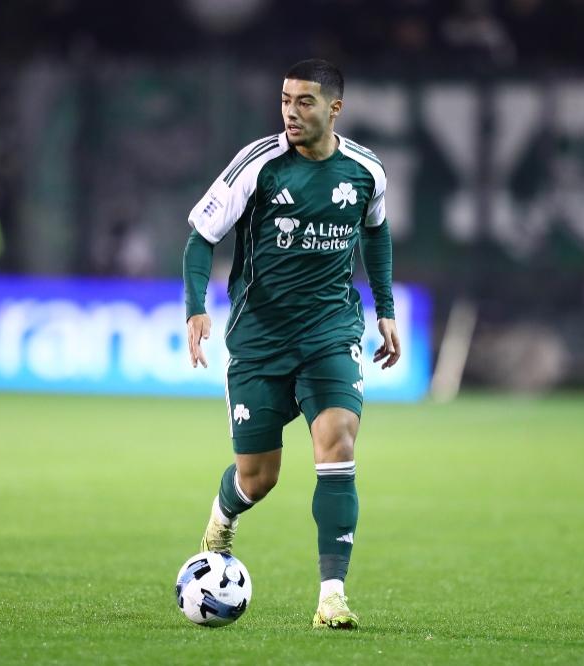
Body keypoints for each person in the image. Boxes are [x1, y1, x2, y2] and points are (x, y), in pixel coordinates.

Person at [182, 59, 400, 629]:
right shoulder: (259, 163)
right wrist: (196, 307)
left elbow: (376, 232)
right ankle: (222, 519)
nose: (291, 112)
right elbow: (201, 237)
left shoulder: (366, 172)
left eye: (304, 101)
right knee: (258, 477)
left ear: (335, 108)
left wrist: (386, 310)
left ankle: (332, 596)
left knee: (337, 442)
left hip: (331, 331)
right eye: (285, 100)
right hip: (259, 338)